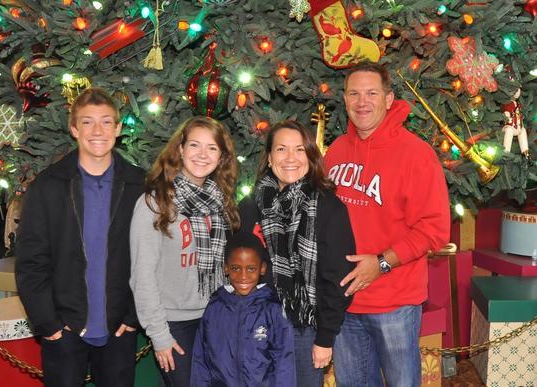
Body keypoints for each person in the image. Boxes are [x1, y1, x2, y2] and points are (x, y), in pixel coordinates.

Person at [323, 62, 451, 387]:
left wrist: (380, 264)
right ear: (345, 98)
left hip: (394, 302)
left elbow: (433, 231)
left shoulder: (416, 155)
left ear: (389, 98)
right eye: (354, 93)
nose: (361, 101)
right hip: (344, 302)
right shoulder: (336, 151)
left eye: (371, 93)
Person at [15, 87, 145, 387]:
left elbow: (150, 257)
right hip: (64, 330)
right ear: (74, 128)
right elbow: (31, 261)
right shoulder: (47, 186)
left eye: (106, 121)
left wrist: (132, 316)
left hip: (119, 328)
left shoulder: (139, 184)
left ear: (119, 128)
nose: (97, 130)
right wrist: (48, 323)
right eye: (87, 122)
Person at [240, 120, 356, 387]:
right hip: (255, 325)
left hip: (304, 331)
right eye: (281, 149)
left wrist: (325, 339)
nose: (290, 158)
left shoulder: (328, 207)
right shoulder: (250, 206)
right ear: (269, 158)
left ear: (311, 157)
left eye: (299, 150)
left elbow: (339, 280)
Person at [129, 116, 240, 387]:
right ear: (180, 149)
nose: (202, 155)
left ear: (222, 156)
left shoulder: (220, 201)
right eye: (194, 145)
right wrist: (160, 335)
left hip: (216, 316)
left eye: (212, 148)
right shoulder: (155, 203)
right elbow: (142, 277)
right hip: (175, 324)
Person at [191, 231, 296, 386]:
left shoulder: (272, 309)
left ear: (262, 268)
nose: (243, 276)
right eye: (235, 268)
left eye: (251, 268)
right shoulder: (214, 308)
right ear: (226, 268)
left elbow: (284, 363)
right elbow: (201, 360)